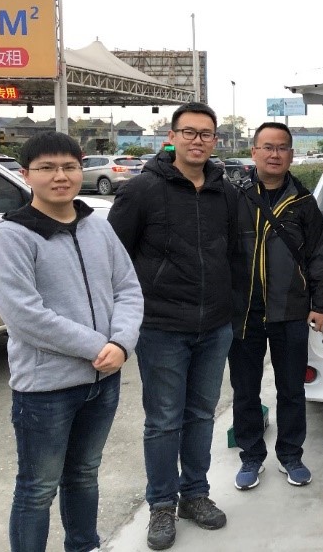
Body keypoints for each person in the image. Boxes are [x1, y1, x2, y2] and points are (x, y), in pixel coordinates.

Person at [0, 132, 143, 552]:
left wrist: (121, 342)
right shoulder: (12, 236)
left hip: (103, 380)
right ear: (26, 175)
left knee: (84, 474)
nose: (60, 176)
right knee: (37, 488)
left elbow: (128, 288)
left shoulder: (97, 226)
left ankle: (84, 545)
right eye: (47, 168)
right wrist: (97, 347)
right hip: (46, 389)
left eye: (69, 167)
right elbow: (25, 316)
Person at [107, 102, 237, 551]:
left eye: (206, 134)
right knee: (163, 420)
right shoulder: (141, 190)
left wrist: (231, 307)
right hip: (162, 326)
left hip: (215, 326)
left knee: (201, 414)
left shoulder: (225, 192)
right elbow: (116, 260)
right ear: (172, 137)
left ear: (215, 140)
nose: (197, 141)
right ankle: (162, 504)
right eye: (189, 132)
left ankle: (195, 494)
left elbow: (233, 254)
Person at [228, 122, 323, 491]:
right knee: (245, 389)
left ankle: (291, 455)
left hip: (290, 310)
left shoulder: (303, 203)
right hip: (244, 312)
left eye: (282, 147)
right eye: (268, 147)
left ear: (291, 154)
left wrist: (321, 303)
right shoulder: (233, 197)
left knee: (291, 389)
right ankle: (251, 455)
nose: (275, 154)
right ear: (254, 152)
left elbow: (319, 255)